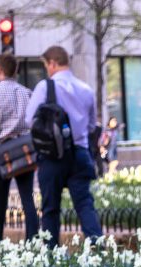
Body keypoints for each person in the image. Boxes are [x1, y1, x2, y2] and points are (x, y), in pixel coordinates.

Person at [24, 45, 103, 248]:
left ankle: (51, 256)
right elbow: (93, 125)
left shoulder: (45, 87)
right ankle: (98, 249)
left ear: (52, 63)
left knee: (50, 208)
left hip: (53, 156)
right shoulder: (86, 89)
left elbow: (29, 120)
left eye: (46, 65)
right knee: (85, 204)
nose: (47, 70)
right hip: (80, 154)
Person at [0, 51, 39, 242]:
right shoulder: (27, 92)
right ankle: (33, 242)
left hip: (1, 152)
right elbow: (34, 122)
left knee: (0, 201)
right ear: (16, 71)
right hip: (24, 149)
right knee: (28, 198)